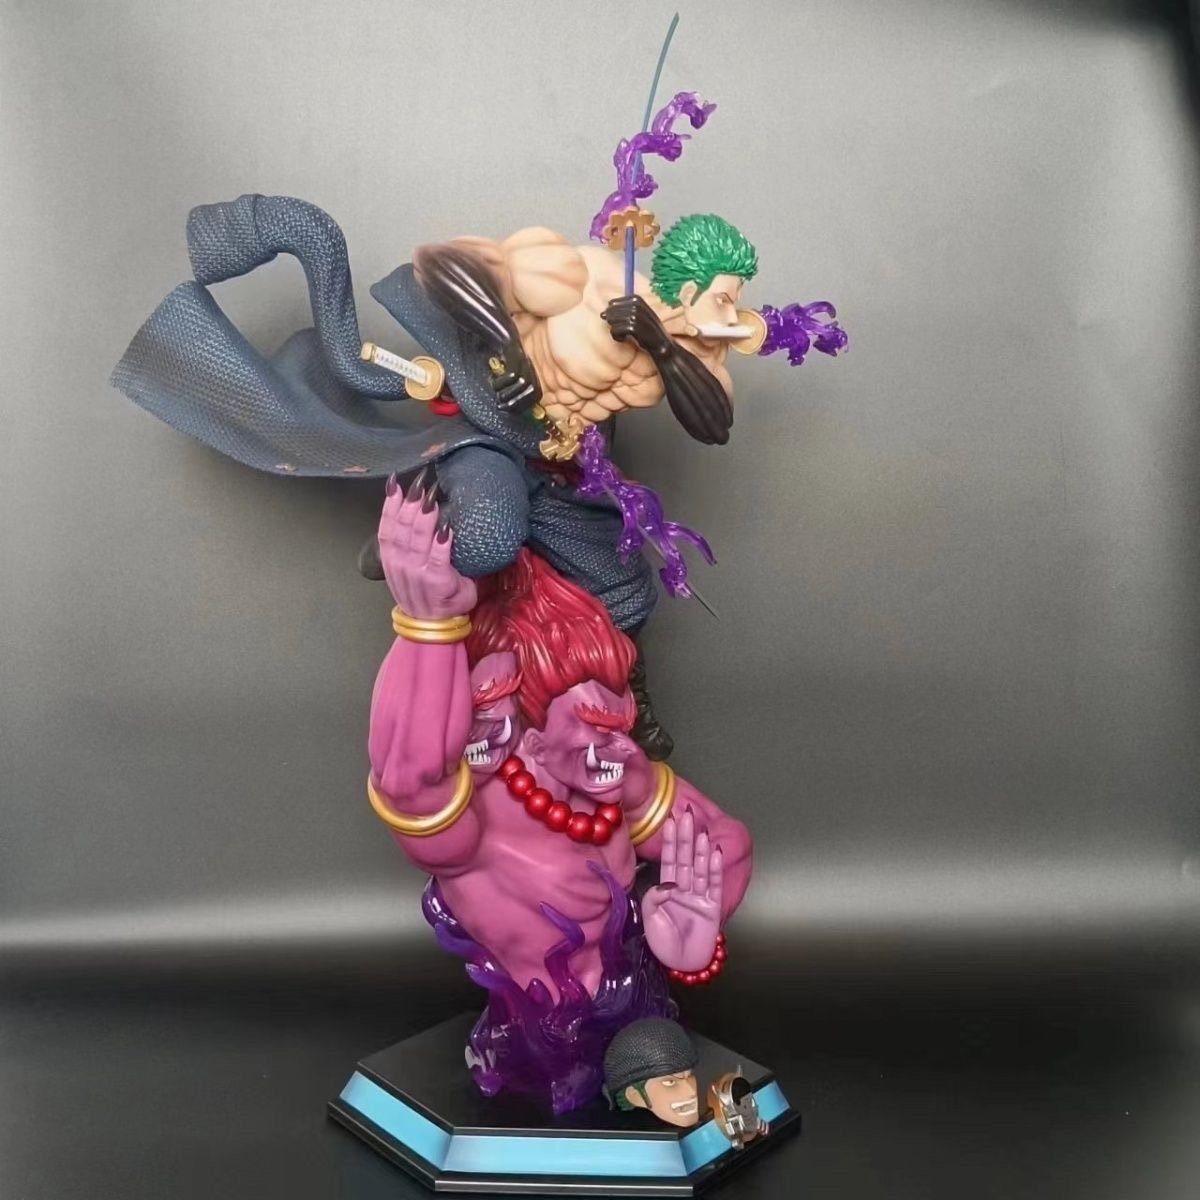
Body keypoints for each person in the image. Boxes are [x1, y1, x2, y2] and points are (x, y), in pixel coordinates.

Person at [367, 473, 752, 1112]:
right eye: (594, 725)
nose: (617, 746)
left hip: (634, 1000)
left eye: (617, 720)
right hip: (536, 1027)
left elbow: (724, 843)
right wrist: (426, 626)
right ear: (529, 731)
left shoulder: (616, 775)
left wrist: (692, 947)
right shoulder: (473, 818)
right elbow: (408, 780)